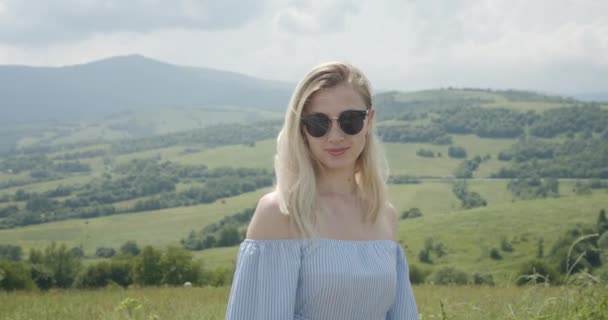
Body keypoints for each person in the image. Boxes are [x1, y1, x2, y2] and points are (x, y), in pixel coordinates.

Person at [225, 62, 418, 320]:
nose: (335, 136)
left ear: (369, 120)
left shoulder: (383, 216)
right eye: (319, 123)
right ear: (302, 129)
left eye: (350, 120)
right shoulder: (281, 213)